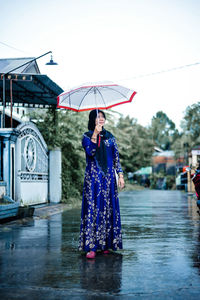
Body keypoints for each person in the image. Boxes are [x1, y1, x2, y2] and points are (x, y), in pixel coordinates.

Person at [79, 109, 125, 259]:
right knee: (93, 209)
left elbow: (116, 157)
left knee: (108, 209)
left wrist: (120, 175)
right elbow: (90, 152)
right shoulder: (86, 136)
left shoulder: (110, 137)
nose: (101, 119)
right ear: (93, 120)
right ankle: (91, 247)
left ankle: (106, 244)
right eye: (98, 117)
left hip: (109, 180)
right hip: (93, 179)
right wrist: (95, 134)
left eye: (102, 117)